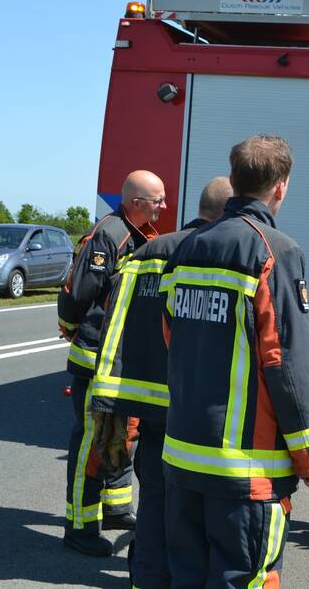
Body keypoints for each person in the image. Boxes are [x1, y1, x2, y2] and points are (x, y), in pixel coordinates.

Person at [159, 135, 309, 587]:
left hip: (183, 457)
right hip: (245, 470)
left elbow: (171, 337)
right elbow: (287, 363)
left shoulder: (185, 248)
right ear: (282, 186)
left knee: (188, 579)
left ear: (234, 180)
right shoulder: (275, 251)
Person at [90, 176, 232, 588]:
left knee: (153, 501)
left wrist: (111, 397)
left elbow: (116, 322)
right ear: (224, 214)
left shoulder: (148, 251)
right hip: (195, 408)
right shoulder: (211, 254)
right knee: (196, 509)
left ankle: (145, 578)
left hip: (147, 406)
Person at [57, 170, 164, 556]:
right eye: (158, 201)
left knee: (123, 435)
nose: (163, 207)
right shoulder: (109, 234)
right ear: (137, 203)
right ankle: (80, 528)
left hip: (120, 360)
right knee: (91, 443)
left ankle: (116, 508)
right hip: (95, 359)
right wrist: (70, 328)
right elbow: (78, 292)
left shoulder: (138, 235)